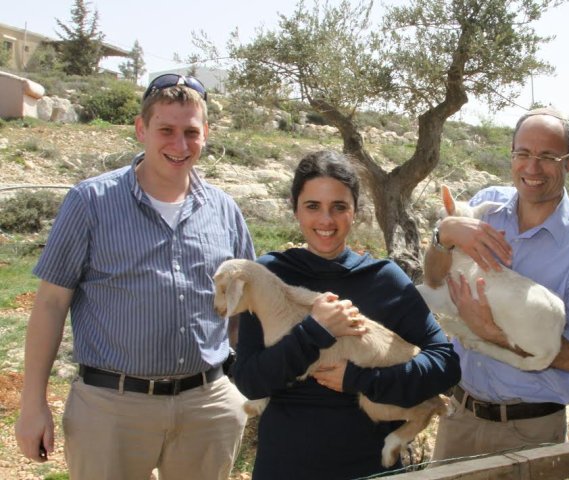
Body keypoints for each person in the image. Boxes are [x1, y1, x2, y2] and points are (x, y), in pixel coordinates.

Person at [15, 74, 254, 479]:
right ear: (141, 128)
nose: (179, 146)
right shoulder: (90, 202)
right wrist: (32, 404)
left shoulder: (224, 210)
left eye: (190, 132)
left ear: (206, 133)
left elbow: (244, 307)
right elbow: (52, 303)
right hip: (111, 409)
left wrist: (243, 385)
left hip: (207, 406)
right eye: (166, 130)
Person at [232, 149, 461, 480]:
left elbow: (444, 365)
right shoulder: (269, 277)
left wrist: (360, 380)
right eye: (313, 206)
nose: (326, 220)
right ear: (295, 208)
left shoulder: (384, 279)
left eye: (339, 207)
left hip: (370, 466)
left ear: (355, 211)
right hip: (286, 466)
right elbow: (251, 380)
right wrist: (315, 331)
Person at [427, 107, 569, 460]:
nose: (532, 168)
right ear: (511, 155)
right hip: (460, 418)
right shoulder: (488, 205)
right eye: (523, 154)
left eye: (548, 156)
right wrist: (444, 235)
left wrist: (492, 334)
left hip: (530, 432)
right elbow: (434, 278)